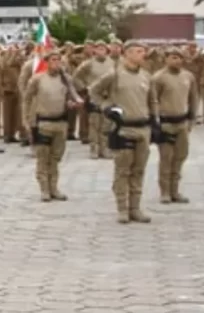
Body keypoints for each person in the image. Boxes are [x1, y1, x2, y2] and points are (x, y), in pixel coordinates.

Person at [90, 41, 157, 224]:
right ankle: (122, 208)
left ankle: (135, 208)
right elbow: (94, 92)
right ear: (126, 53)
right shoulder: (114, 75)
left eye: (143, 51)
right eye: (138, 51)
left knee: (139, 170)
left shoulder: (146, 76)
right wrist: (106, 108)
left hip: (143, 128)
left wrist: (155, 121)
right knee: (122, 171)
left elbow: (152, 101)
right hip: (123, 128)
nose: (142, 54)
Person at [23, 51, 80, 201]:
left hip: (60, 123)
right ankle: (44, 189)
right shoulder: (37, 79)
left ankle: (54, 187)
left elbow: (71, 97)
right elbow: (27, 99)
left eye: (59, 60)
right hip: (43, 123)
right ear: (46, 62)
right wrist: (28, 121)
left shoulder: (66, 79)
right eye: (53, 60)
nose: (56, 62)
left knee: (56, 158)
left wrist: (72, 104)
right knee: (43, 158)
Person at [152, 48, 198, 204]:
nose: (177, 61)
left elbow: (193, 98)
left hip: (182, 123)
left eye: (179, 58)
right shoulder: (159, 78)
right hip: (166, 123)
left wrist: (192, 118)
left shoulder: (188, 76)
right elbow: (153, 100)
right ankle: (164, 191)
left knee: (180, 157)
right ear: (166, 59)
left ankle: (175, 190)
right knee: (166, 158)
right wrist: (155, 122)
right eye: (173, 57)